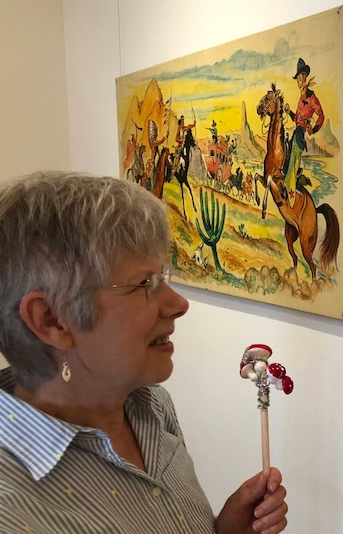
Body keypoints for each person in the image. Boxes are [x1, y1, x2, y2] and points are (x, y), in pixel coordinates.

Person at [0, 171, 289, 533]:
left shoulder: (150, 405)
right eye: (143, 284)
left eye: (163, 276)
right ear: (52, 319)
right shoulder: (12, 510)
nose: (179, 304)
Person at [283, 57, 324, 206]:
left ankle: (290, 191)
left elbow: (321, 115)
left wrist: (314, 129)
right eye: (298, 80)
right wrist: (289, 113)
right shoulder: (300, 98)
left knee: (293, 162)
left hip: (300, 135)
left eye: (301, 79)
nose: (299, 83)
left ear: (306, 79)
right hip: (296, 131)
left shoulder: (312, 98)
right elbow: (297, 120)